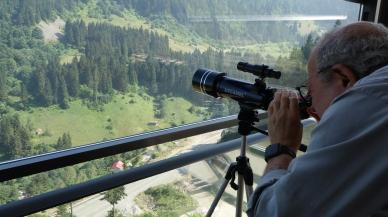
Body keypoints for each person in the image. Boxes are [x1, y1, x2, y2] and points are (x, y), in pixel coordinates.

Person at [247, 21, 388, 217]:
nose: (310, 107)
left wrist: (281, 149)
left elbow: (275, 212)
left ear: (344, 79)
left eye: (310, 91)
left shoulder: (365, 103)